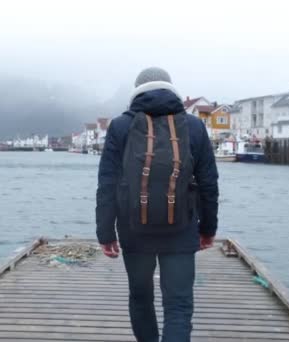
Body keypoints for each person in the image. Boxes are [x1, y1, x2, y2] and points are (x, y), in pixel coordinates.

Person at [96, 67, 219, 342]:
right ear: (171, 88)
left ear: (136, 91)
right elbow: (209, 183)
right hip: (181, 229)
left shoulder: (120, 126)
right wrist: (208, 230)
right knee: (178, 306)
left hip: (134, 230)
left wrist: (106, 233)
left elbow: (107, 183)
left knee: (141, 299)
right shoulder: (195, 126)